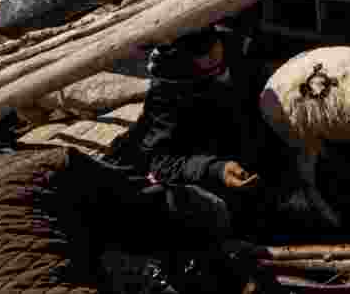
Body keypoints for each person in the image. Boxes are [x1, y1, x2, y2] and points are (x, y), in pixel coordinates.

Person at [106, 23, 282, 240]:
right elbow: (161, 161)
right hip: (214, 168)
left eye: (211, 45)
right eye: (198, 51)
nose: (211, 55)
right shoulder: (169, 89)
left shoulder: (241, 52)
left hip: (259, 154)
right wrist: (216, 169)